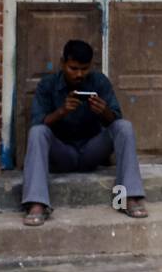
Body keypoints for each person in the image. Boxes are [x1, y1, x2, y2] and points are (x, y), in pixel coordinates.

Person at [21, 39, 148, 227]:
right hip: (61, 153)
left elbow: (115, 120)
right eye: (73, 68)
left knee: (124, 127)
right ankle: (37, 203)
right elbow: (38, 123)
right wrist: (61, 112)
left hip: (91, 151)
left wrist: (104, 112)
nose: (79, 74)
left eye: (84, 68)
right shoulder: (47, 85)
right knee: (37, 132)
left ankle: (127, 198)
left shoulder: (99, 81)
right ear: (62, 63)